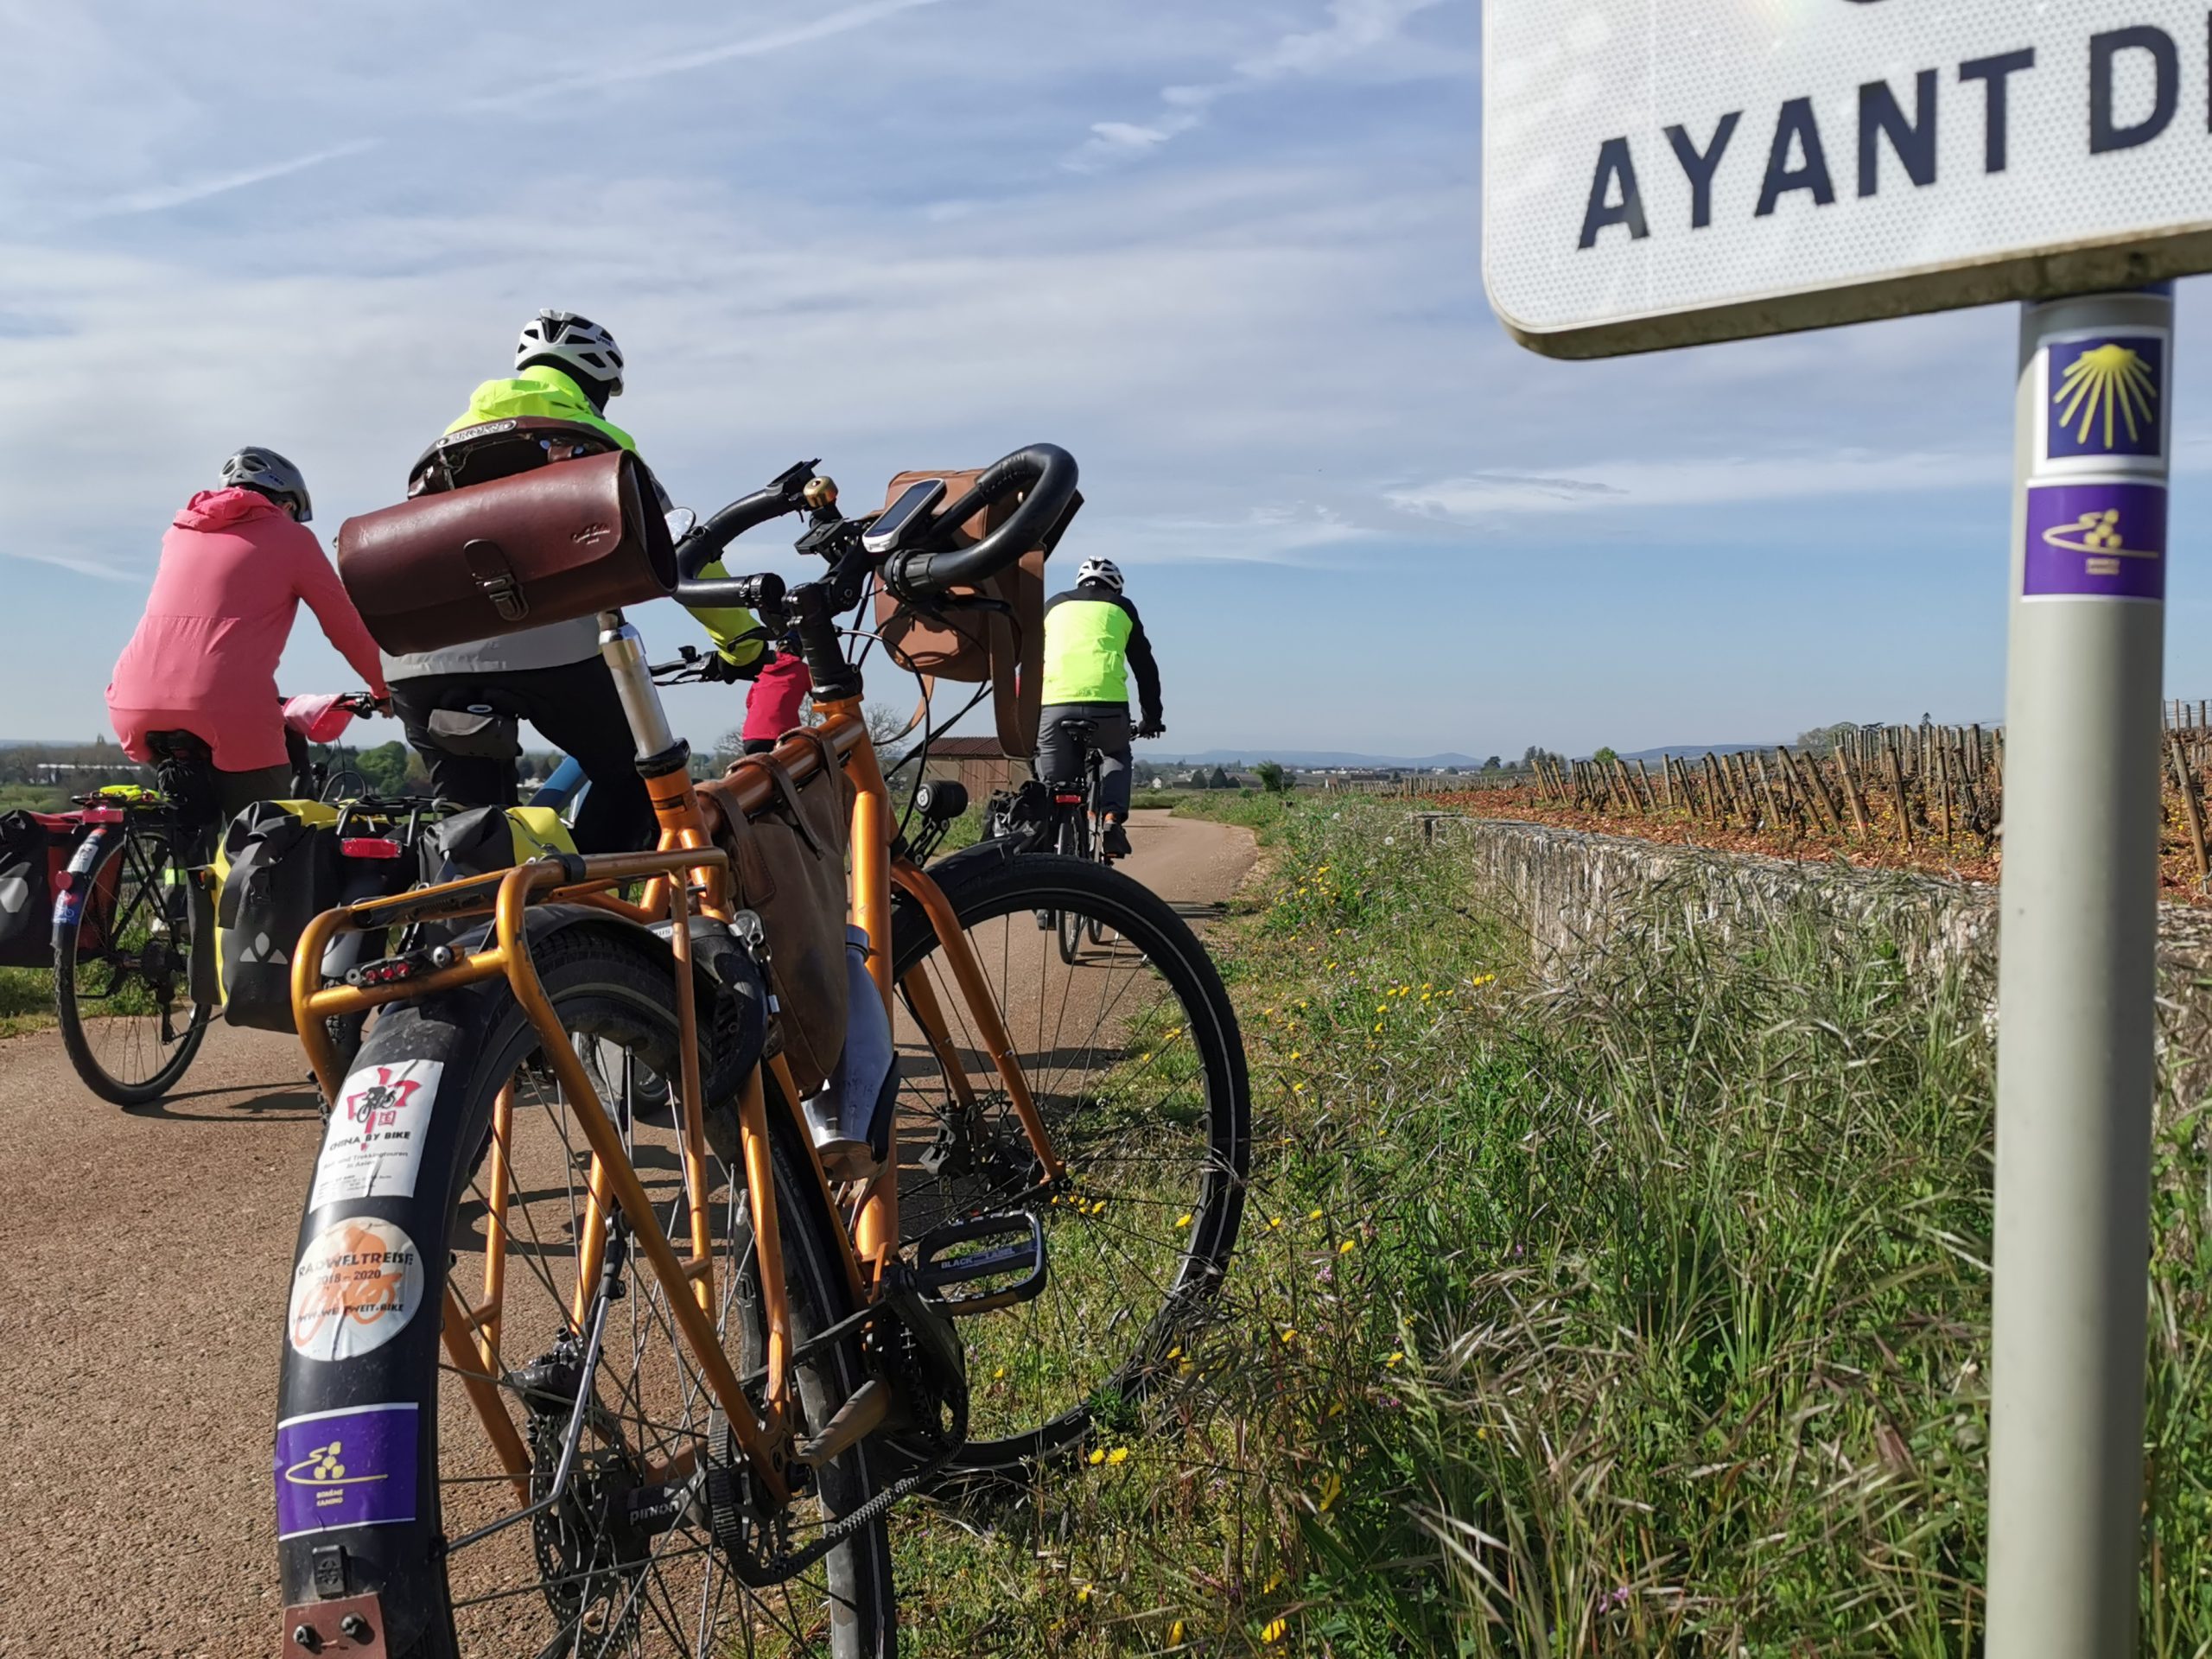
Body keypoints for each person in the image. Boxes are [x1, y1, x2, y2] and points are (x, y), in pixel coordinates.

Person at [383, 308, 765, 852]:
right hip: (551, 648)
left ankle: (465, 901)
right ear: (598, 385)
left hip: (421, 661)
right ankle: (587, 901)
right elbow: (682, 552)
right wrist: (744, 645)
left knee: (470, 831)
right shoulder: (595, 440)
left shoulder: (442, 449)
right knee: (638, 777)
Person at [107, 449, 390, 819]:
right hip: (227, 706)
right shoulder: (293, 538)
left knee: (190, 823)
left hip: (133, 702)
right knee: (268, 831)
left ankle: (183, 852)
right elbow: (345, 626)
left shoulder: (179, 533)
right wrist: (384, 688)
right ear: (286, 505)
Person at [1034, 556, 1163, 858]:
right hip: (1108, 708)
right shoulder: (1121, 606)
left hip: (1056, 704)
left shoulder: (1053, 606)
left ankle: (1046, 835)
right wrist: (1151, 718)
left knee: (1052, 786)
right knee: (1116, 753)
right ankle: (1112, 820)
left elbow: (1033, 658)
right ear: (1115, 587)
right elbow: (1145, 667)